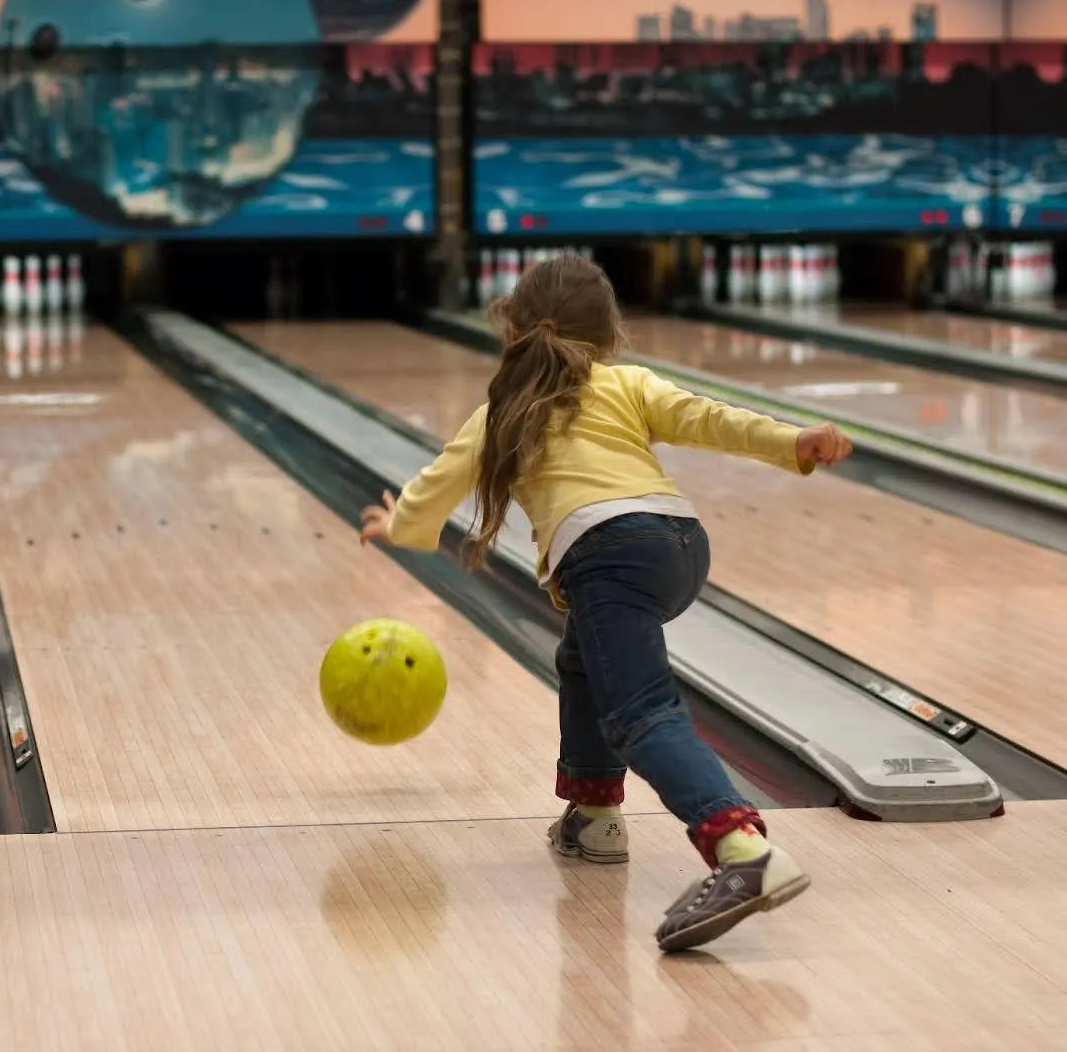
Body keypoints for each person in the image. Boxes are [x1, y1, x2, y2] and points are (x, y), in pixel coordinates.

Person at [357, 253, 852, 952]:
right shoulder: (628, 383)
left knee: (642, 711)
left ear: (516, 331)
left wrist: (398, 525)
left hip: (608, 553)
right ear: (610, 335)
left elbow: (437, 488)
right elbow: (708, 419)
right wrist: (791, 441)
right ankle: (594, 813)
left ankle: (743, 850)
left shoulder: (501, 410)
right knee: (585, 659)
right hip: (679, 544)